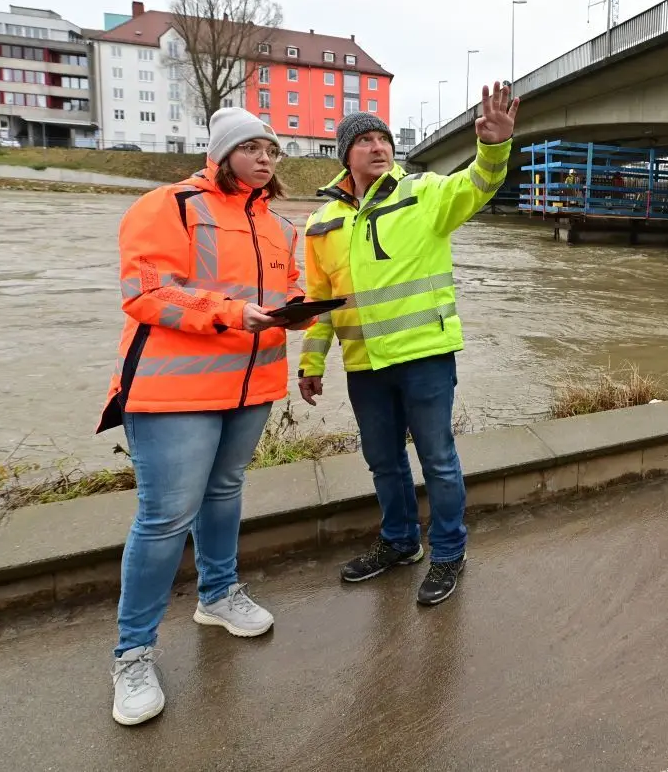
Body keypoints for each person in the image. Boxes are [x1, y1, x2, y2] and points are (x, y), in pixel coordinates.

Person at [99, 107, 311, 727]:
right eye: (252, 148)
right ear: (220, 154)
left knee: (224, 492)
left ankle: (218, 595)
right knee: (165, 517)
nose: (266, 158)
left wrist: (301, 307)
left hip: (250, 387)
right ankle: (132, 655)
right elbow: (146, 292)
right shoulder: (169, 206)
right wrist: (230, 313)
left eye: (272, 149)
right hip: (174, 391)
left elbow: (287, 288)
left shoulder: (279, 225)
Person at [298, 82, 518, 606]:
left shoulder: (425, 194)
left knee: (438, 459)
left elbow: (479, 183)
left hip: (424, 357)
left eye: (384, 139)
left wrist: (494, 147)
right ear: (345, 154)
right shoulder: (321, 223)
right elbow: (319, 301)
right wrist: (311, 361)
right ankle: (400, 543)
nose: (378, 147)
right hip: (364, 365)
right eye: (365, 140)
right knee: (383, 461)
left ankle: (449, 552)